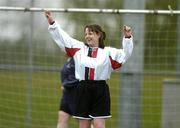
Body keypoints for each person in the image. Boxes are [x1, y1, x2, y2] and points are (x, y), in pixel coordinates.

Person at [45, 10, 133, 128]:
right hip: (82, 89)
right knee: (84, 125)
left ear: (99, 35)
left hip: (100, 89)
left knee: (98, 125)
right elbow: (63, 37)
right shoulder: (79, 49)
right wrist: (52, 23)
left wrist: (127, 38)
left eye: (91, 33)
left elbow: (125, 55)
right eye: (86, 34)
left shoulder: (109, 52)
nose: (87, 36)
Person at [57, 57, 78, 128]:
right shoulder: (69, 59)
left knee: (84, 122)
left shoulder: (79, 58)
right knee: (62, 118)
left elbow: (78, 77)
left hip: (77, 96)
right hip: (66, 96)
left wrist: (66, 84)